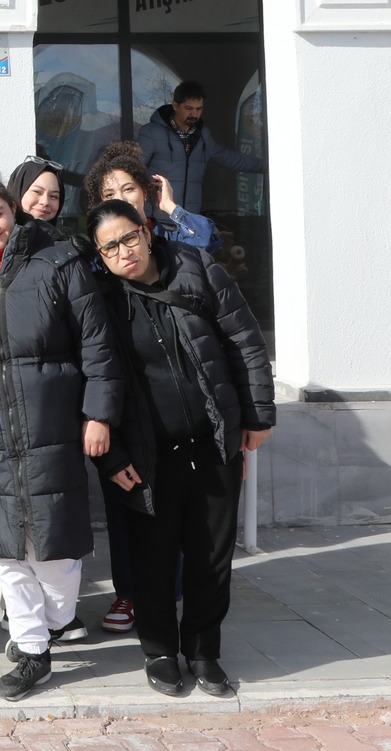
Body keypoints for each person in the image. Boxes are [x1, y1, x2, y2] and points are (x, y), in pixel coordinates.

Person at [0, 173, 122, 703]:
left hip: (53, 424)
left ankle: (58, 619)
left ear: (13, 210)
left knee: (56, 549)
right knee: (6, 551)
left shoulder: (59, 262)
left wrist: (99, 415)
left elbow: (98, 346)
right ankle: (31, 648)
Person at [89, 197, 275, 699]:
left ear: (147, 233)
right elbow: (96, 382)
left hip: (214, 441)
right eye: (110, 248)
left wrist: (257, 416)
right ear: (101, 258)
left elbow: (245, 342)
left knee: (211, 555)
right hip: (149, 454)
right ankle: (159, 651)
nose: (123, 252)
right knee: (152, 556)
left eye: (129, 238)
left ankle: (203, 650)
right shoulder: (103, 301)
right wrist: (112, 456)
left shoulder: (197, 270)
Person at [134, 81, 263, 217]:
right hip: (158, 220)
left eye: (198, 109)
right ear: (175, 106)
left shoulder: (203, 136)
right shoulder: (151, 133)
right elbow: (135, 172)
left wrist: (270, 166)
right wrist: (143, 216)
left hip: (189, 220)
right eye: (189, 108)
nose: (194, 114)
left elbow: (232, 160)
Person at [85, 141, 216, 251]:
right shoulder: (101, 250)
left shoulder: (169, 240)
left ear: (144, 192)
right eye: (109, 194)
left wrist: (170, 206)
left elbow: (205, 239)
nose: (120, 199)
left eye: (128, 189)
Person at [8, 156, 74, 243]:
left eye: (54, 196)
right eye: (37, 192)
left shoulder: (67, 246)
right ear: (18, 190)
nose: (45, 202)